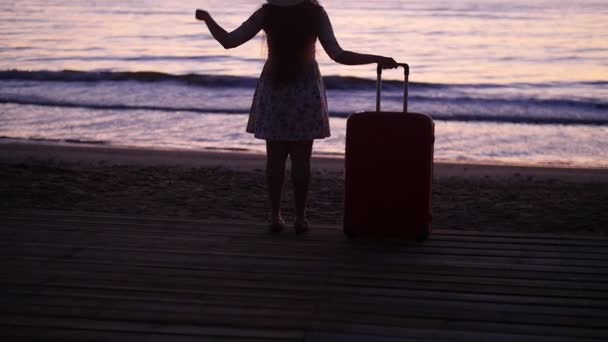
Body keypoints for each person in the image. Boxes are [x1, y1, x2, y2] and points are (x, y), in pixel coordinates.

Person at [196, 0, 398, 234]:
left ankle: (274, 216)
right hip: (305, 90)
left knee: (275, 158)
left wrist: (208, 19)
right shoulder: (315, 12)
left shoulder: (267, 13)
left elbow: (229, 42)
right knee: (302, 160)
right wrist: (377, 58)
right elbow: (338, 54)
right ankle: (301, 218)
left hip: (275, 88)